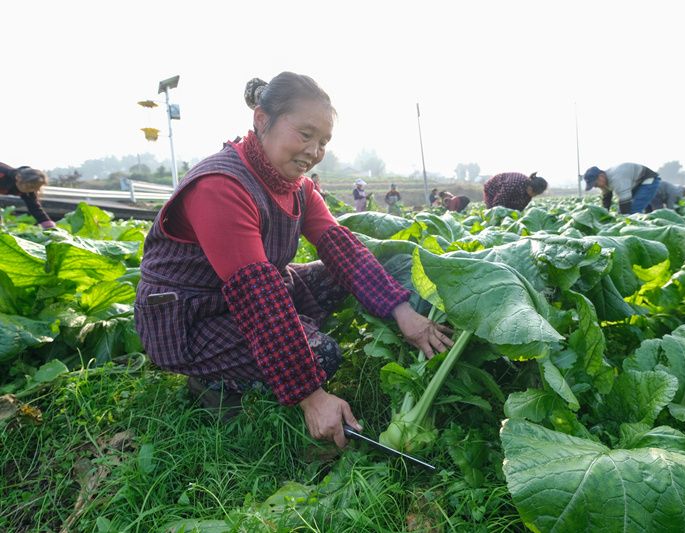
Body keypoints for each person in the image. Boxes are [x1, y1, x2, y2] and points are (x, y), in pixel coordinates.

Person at [134, 72, 453, 449]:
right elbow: (257, 296)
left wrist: (402, 311)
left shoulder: (296, 186)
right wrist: (312, 396)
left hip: (236, 298)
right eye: (305, 135)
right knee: (319, 355)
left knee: (338, 276)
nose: (314, 151)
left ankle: (274, 354)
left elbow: (340, 248)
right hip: (189, 316)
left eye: (323, 141)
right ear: (261, 120)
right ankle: (215, 386)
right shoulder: (221, 185)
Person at [583, 163, 661, 214]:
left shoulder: (617, 179)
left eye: (595, 184)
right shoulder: (605, 181)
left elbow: (625, 202)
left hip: (648, 181)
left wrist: (623, 221)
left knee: (634, 211)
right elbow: (607, 199)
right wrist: (604, 214)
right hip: (636, 183)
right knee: (623, 212)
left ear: (601, 176)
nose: (595, 186)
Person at [0, 162, 56, 228]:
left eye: (36, 188)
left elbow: (35, 207)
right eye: (31, 187)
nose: (32, 190)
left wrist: (48, 225)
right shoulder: (3, 174)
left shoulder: (28, 190)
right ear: (18, 178)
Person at [483, 172, 548, 211]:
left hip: (508, 191)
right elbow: (498, 202)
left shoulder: (528, 192)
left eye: (536, 194)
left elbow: (520, 207)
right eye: (533, 192)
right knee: (493, 210)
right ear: (530, 187)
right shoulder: (513, 183)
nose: (533, 195)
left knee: (512, 207)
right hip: (492, 189)